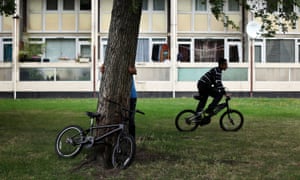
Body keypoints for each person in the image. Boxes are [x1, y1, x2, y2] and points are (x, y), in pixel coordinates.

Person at [100, 64, 137, 139]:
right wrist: (102, 71)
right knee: (116, 118)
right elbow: (103, 70)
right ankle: (118, 139)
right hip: (115, 97)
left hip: (131, 96)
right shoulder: (111, 64)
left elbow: (134, 71)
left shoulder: (127, 62)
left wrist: (131, 71)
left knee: (130, 120)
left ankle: (131, 141)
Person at [196, 57, 228, 125]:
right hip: (204, 85)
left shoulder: (217, 70)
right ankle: (210, 109)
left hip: (202, 84)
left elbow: (216, 83)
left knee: (203, 100)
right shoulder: (217, 71)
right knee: (219, 95)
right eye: (225, 64)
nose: (227, 66)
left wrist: (221, 90)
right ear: (221, 65)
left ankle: (198, 116)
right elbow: (218, 83)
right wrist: (224, 93)